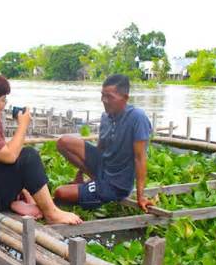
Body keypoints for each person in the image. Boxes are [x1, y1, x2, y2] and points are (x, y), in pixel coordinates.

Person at [0, 74, 82, 225]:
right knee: (28, 155)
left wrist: (26, 192)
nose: (4, 104)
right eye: (2, 100)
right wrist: (23, 125)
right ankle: (51, 213)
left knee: (25, 155)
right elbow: (9, 157)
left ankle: (14, 202)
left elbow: (2, 157)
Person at [54, 74, 154, 212]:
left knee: (60, 193)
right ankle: (94, 180)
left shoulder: (138, 118)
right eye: (102, 95)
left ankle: (99, 187)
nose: (104, 100)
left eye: (110, 97)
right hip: (102, 167)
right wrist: (80, 173)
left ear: (125, 98)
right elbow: (100, 149)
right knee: (63, 142)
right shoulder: (105, 116)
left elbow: (140, 158)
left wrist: (140, 196)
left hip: (116, 184)